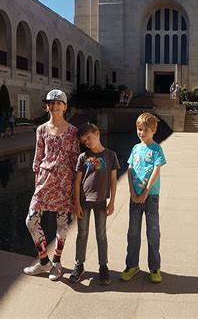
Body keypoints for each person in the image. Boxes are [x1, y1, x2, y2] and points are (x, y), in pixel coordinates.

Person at [24, 89, 80, 281]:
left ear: (65, 107)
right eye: (51, 103)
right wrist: (36, 186)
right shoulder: (41, 130)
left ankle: (56, 261)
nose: (54, 106)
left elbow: (75, 161)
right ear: (47, 106)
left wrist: (75, 191)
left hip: (64, 183)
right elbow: (38, 158)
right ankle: (43, 260)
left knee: (62, 224)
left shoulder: (73, 132)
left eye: (58, 103)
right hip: (44, 182)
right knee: (31, 221)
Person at [70, 122, 120, 285]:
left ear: (97, 133)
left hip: (101, 202)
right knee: (82, 233)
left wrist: (112, 202)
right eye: (84, 141)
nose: (88, 143)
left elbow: (113, 181)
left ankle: (103, 266)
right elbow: (77, 182)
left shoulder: (111, 155)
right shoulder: (83, 157)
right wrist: (76, 204)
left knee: (101, 235)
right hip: (84, 202)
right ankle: (79, 264)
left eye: (89, 138)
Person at [120, 112, 166, 283]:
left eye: (146, 129)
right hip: (135, 197)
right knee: (133, 232)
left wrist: (146, 191)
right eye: (139, 129)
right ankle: (132, 265)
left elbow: (156, 170)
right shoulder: (135, 148)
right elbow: (130, 170)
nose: (142, 133)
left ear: (153, 130)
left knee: (153, 232)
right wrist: (132, 192)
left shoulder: (156, 149)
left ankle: (154, 267)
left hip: (151, 196)